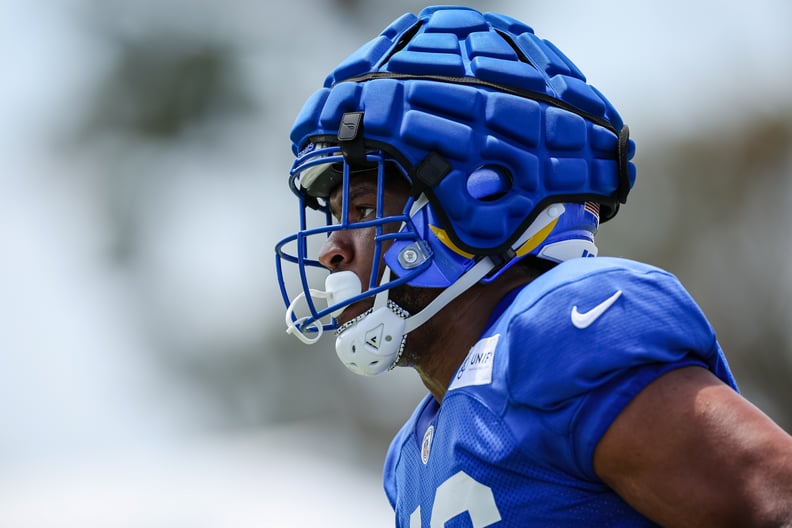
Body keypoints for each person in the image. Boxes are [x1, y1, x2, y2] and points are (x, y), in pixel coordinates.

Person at [275, 6, 792, 526]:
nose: (331, 250)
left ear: (483, 196)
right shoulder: (411, 453)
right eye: (336, 215)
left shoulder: (566, 331)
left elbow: (774, 503)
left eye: (363, 209)